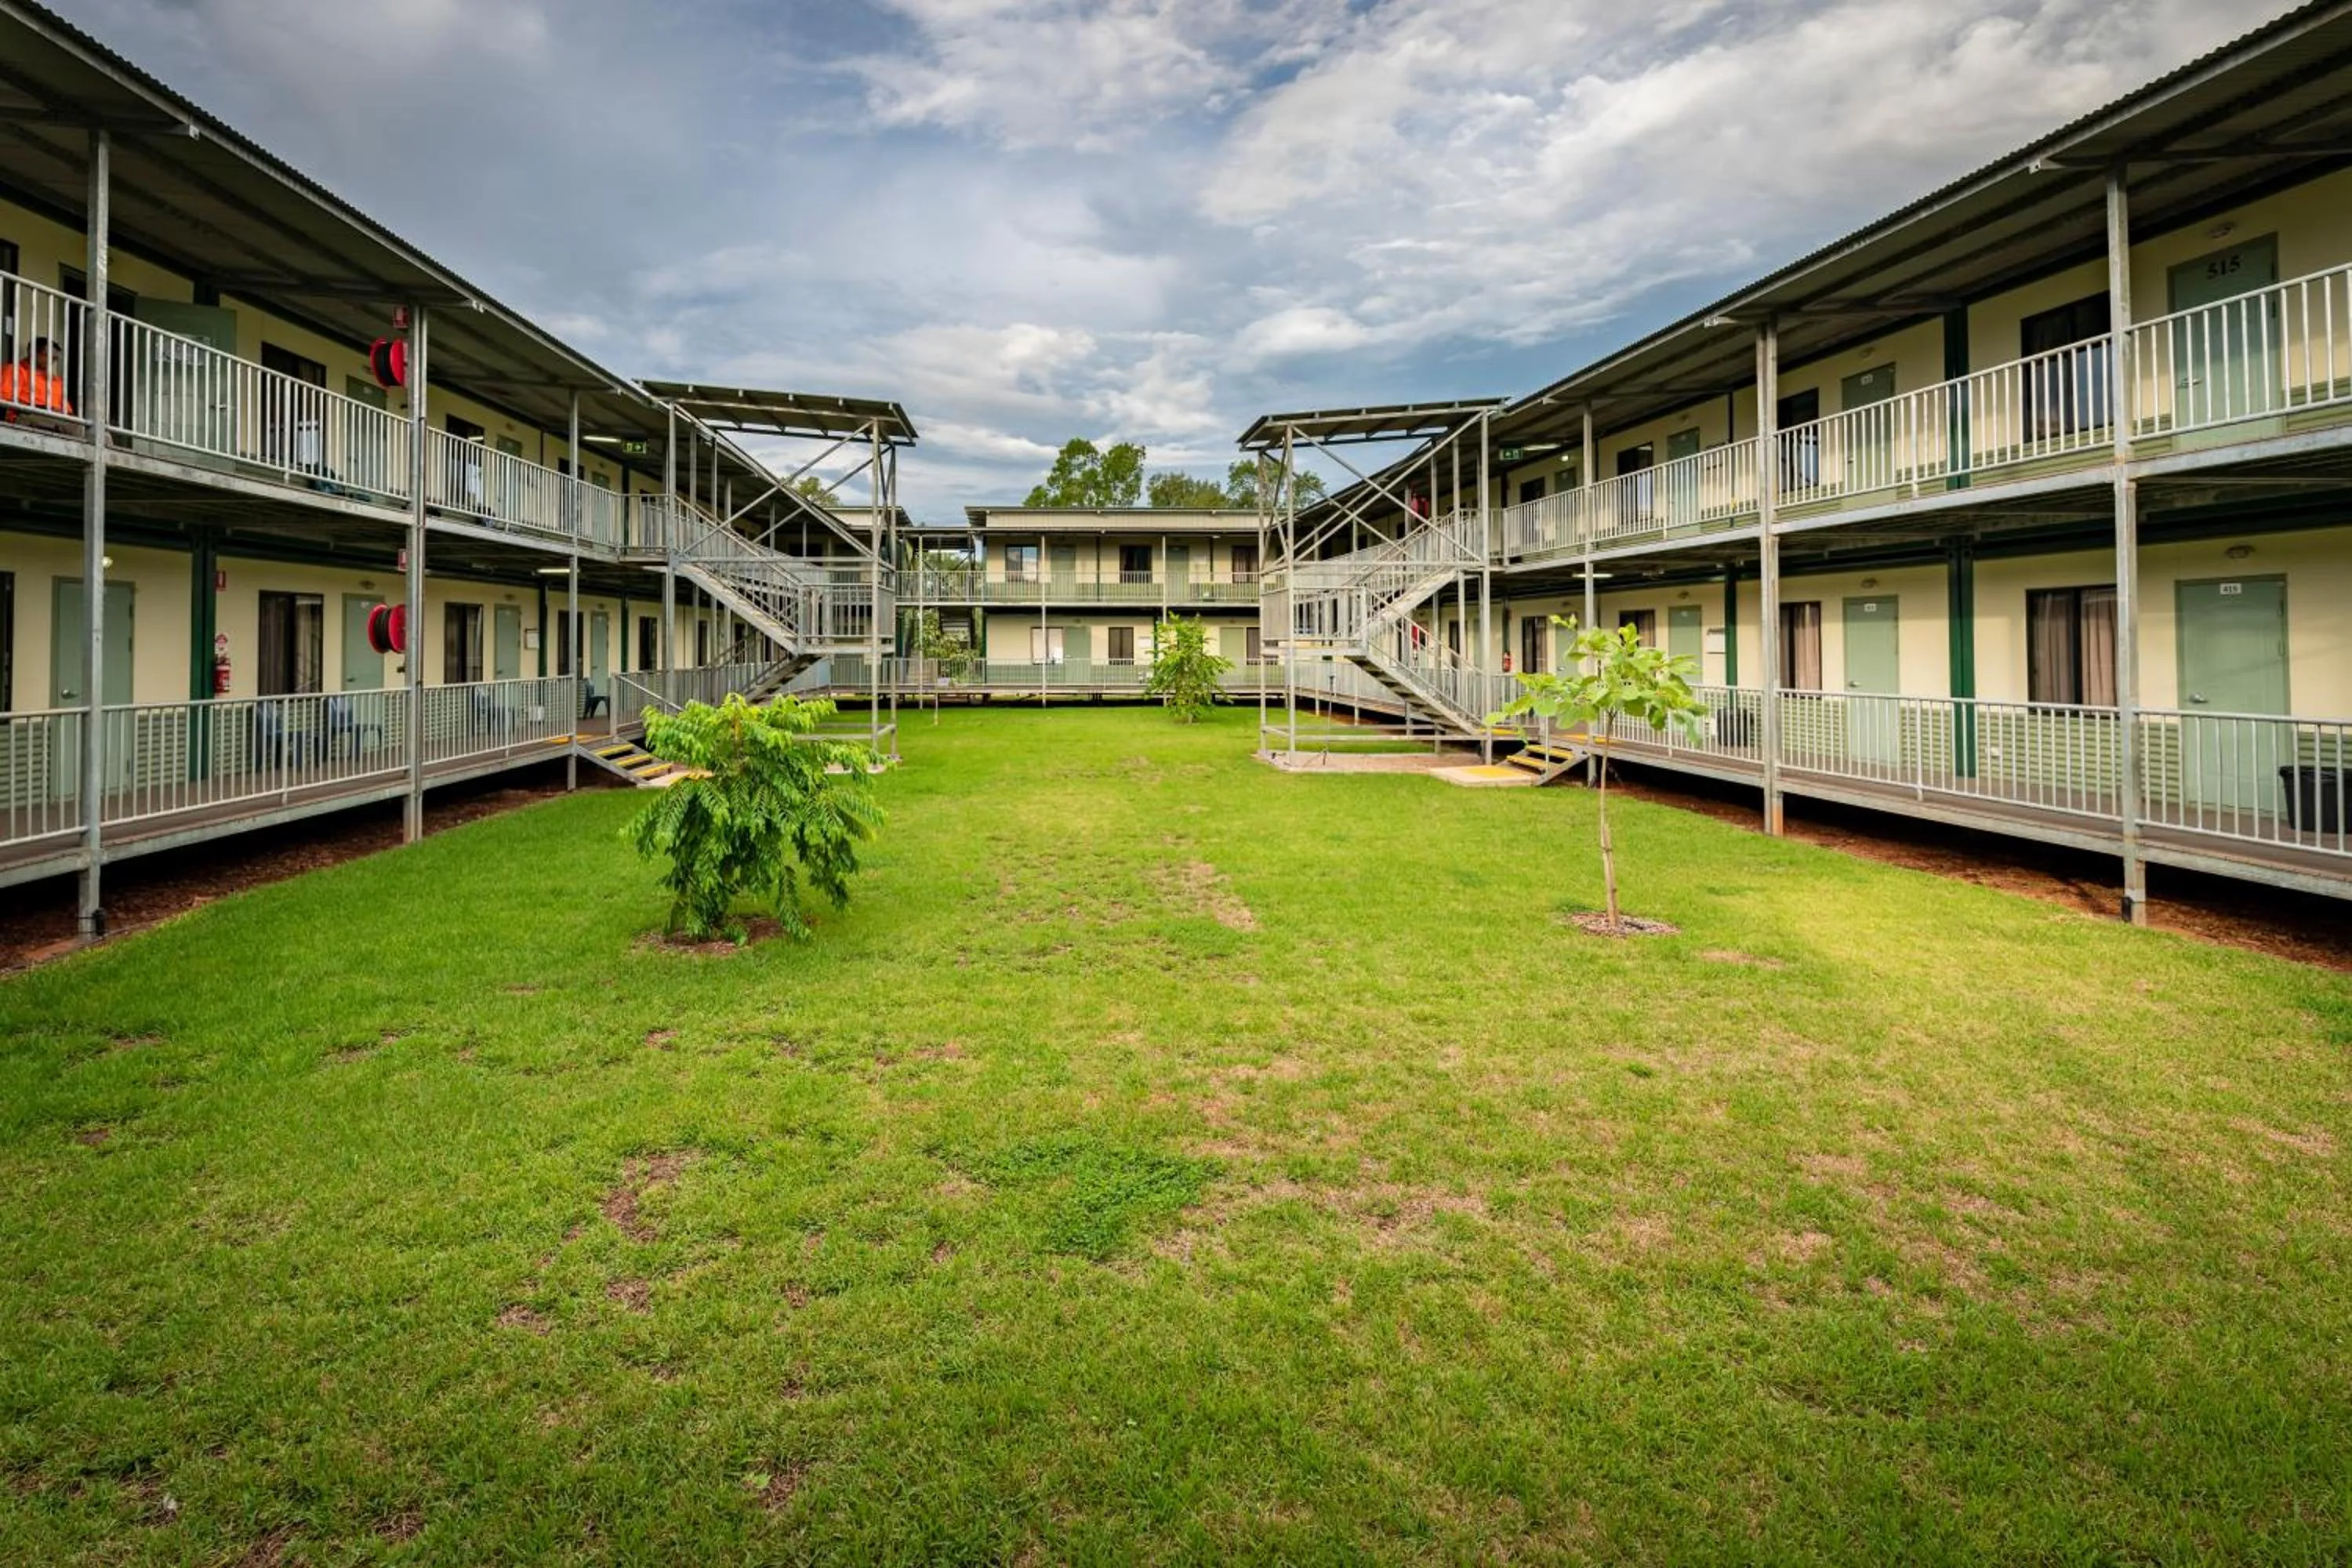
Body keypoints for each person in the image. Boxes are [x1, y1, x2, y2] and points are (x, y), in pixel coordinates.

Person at [0, 337, 74, 419]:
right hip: (26, 418)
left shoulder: (56, 381)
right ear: (33, 353)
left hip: (56, 421)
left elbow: (68, 411)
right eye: (48, 356)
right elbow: (5, 402)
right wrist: (43, 409)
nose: (52, 361)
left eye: (55, 358)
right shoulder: (15, 371)